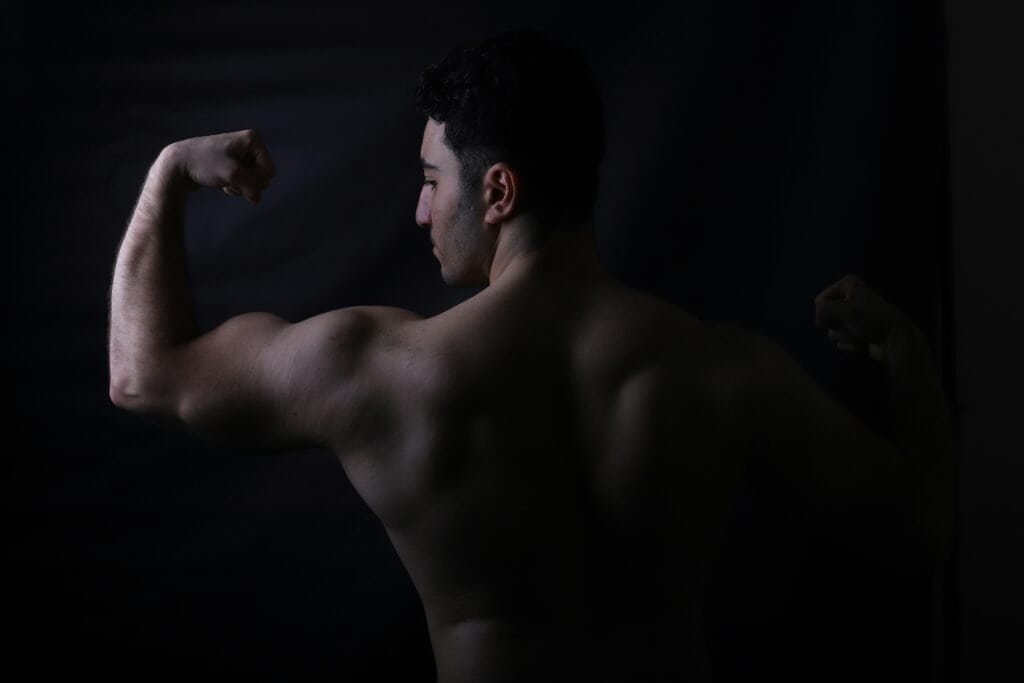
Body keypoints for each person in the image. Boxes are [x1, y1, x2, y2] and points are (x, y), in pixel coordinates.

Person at [108, 29, 953, 683]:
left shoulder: (385, 368)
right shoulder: (723, 371)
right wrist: (907, 353)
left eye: (433, 180)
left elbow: (144, 374)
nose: (419, 209)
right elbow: (915, 525)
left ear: (499, 191)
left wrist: (168, 174)